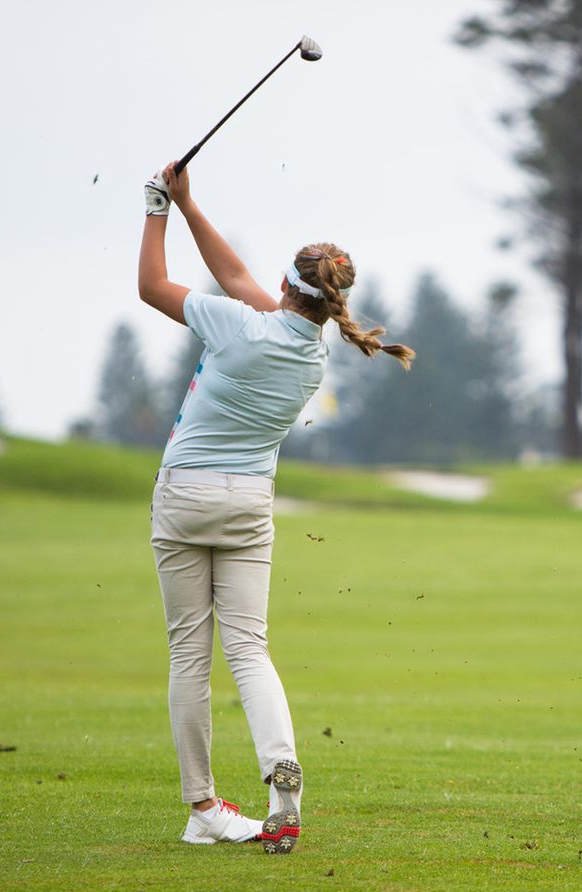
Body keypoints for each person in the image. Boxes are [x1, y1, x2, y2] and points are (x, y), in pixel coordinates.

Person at [136, 163, 413, 853]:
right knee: (249, 649)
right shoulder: (309, 352)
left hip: (184, 495)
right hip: (248, 503)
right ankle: (279, 778)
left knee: (189, 655)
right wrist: (192, 205)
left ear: (286, 287)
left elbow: (150, 287)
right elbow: (236, 279)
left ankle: (203, 804)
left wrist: (156, 208)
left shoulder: (239, 327)